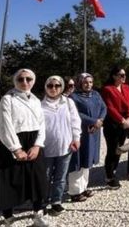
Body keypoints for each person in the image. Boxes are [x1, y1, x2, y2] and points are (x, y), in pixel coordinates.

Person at [0, 69, 49, 226]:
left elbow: (42, 125)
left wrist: (38, 145)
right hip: (13, 142)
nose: (25, 82)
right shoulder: (7, 99)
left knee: (37, 178)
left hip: (34, 142)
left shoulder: (36, 100)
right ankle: (8, 217)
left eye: (28, 79)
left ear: (34, 80)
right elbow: (4, 125)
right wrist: (16, 148)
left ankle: (38, 213)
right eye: (21, 79)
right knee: (10, 178)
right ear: (15, 80)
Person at [41, 75, 81, 216]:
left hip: (65, 146)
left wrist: (76, 138)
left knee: (60, 176)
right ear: (46, 87)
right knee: (45, 177)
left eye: (57, 86)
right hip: (46, 148)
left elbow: (75, 122)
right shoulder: (40, 105)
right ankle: (43, 202)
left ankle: (56, 201)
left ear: (61, 87)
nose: (53, 88)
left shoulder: (68, 103)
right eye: (50, 86)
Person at [68, 73, 106, 202]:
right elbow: (76, 114)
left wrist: (100, 120)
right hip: (81, 133)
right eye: (85, 82)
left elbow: (103, 107)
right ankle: (74, 191)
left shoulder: (95, 94)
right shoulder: (73, 97)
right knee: (78, 161)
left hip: (93, 132)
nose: (88, 84)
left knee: (88, 160)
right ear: (80, 83)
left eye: (90, 82)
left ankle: (83, 187)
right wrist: (92, 121)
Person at [101, 66, 129, 188]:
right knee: (112, 150)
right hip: (113, 124)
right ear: (114, 76)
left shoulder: (127, 88)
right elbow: (110, 107)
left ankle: (114, 170)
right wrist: (122, 120)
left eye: (125, 75)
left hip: (125, 122)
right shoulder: (107, 89)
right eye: (121, 75)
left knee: (120, 149)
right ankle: (109, 176)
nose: (124, 77)